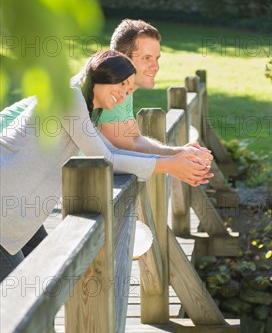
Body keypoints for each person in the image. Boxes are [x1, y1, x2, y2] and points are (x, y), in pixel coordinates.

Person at [0, 50, 210, 282]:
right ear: (101, 74)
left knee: (44, 289)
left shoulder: (86, 109)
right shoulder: (71, 98)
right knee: (21, 303)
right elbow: (105, 159)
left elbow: (111, 153)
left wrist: (177, 154)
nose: (123, 95)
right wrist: (170, 165)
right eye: (121, 84)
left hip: (19, 215)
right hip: (6, 211)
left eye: (128, 90)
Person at [98, 19, 213, 174]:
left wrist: (178, 152)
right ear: (123, 58)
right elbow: (127, 148)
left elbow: (135, 139)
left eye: (157, 58)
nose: (156, 67)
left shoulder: (126, 90)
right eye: (147, 58)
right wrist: (174, 163)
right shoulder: (110, 90)